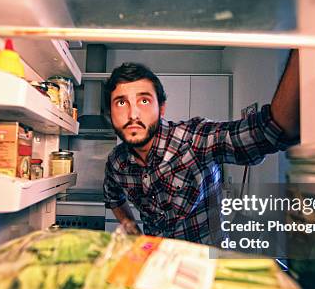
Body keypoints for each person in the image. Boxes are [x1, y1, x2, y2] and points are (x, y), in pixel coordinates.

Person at [103, 50, 300, 244]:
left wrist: (302, 49)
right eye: (121, 102)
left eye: (144, 100)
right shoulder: (116, 162)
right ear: (110, 113)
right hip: (159, 264)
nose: (133, 114)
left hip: (209, 263)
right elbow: (113, 197)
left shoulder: (194, 139)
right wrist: (136, 238)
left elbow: (271, 131)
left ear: (161, 109)